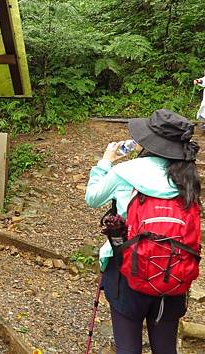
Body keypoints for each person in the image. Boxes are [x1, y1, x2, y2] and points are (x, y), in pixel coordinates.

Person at [85, 109, 201, 354]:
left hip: (126, 269)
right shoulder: (187, 176)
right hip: (173, 272)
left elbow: (92, 198)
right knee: (165, 348)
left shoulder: (126, 172)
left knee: (128, 348)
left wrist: (105, 161)